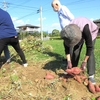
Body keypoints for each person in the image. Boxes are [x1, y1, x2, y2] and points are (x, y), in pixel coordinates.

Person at [60, 17, 99, 84]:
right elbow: (67, 49)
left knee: (91, 52)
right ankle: (73, 69)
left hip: (91, 32)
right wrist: (69, 61)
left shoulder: (86, 28)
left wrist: (84, 61)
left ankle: (91, 75)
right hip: (76, 31)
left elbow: (89, 47)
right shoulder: (67, 33)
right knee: (76, 50)